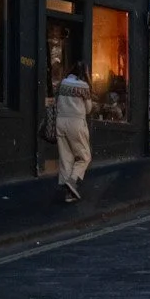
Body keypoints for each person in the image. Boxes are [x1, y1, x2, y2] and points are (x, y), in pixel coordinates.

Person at [55, 57, 95, 203]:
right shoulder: (83, 86)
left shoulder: (62, 83)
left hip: (60, 121)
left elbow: (56, 101)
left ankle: (68, 194)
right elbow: (89, 109)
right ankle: (72, 181)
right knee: (84, 156)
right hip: (76, 123)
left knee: (66, 157)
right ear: (84, 73)